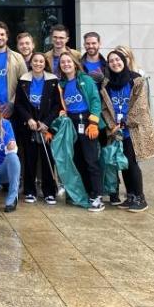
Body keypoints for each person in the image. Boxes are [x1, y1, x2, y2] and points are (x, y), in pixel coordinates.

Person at [100, 46, 154, 212]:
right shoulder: (107, 83)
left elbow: (141, 106)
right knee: (123, 164)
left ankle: (140, 197)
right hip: (117, 131)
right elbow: (105, 107)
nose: (115, 63)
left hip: (132, 130)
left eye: (118, 60)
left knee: (132, 163)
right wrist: (112, 126)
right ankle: (130, 196)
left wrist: (125, 122)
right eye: (111, 61)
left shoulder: (136, 79)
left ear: (124, 61)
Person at [57, 52, 104, 212]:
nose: (66, 64)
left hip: (86, 121)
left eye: (68, 61)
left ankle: (97, 195)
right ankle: (85, 193)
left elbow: (95, 101)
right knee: (77, 159)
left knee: (91, 160)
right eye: (63, 62)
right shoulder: (62, 84)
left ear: (75, 63)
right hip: (72, 123)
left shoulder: (85, 79)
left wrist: (93, 123)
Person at [14, 51, 63, 205]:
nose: (38, 64)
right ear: (31, 63)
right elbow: (19, 104)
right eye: (35, 61)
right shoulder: (23, 80)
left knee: (48, 159)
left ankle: (49, 192)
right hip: (29, 125)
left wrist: (46, 123)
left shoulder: (52, 80)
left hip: (46, 126)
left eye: (41, 61)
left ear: (45, 63)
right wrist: (28, 119)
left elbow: (57, 105)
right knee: (29, 159)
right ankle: (30, 191)